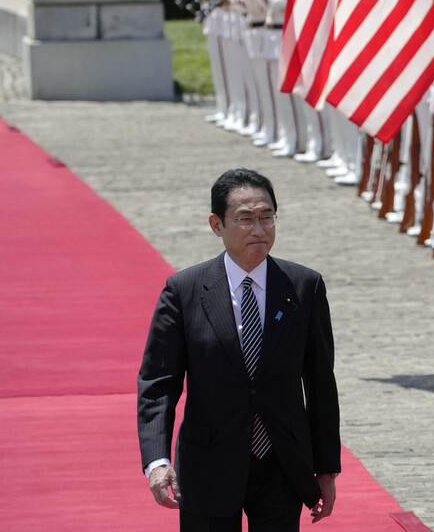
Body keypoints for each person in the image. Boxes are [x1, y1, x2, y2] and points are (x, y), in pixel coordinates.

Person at [137, 168, 341, 530]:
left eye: (267, 218)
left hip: (281, 461)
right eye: (245, 220)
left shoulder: (304, 286)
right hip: (208, 462)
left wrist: (326, 468)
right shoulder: (184, 290)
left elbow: (320, 382)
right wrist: (157, 461)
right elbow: (158, 382)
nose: (260, 230)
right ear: (217, 225)